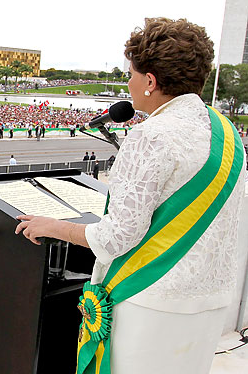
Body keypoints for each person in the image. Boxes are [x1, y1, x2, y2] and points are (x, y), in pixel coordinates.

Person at [14, 18, 246, 374]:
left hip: (149, 302)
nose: (129, 82)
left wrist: (52, 226)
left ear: (150, 81)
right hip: (210, 302)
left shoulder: (150, 135)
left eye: (132, 74)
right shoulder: (226, 133)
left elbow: (117, 237)